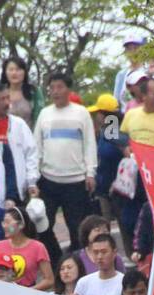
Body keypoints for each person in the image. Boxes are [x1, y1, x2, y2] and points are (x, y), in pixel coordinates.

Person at [33, 71, 97, 249]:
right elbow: (36, 146)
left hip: (75, 181)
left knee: (77, 227)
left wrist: (90, 173)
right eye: (52, 88)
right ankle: (55, 260)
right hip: (48, 179)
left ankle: (76, 264)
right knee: (43, 225)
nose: (55, 91)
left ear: (68, 89)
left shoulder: (81, 113)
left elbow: (90, 145)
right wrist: (33, 177)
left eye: (60, 87)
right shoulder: (45, 114)